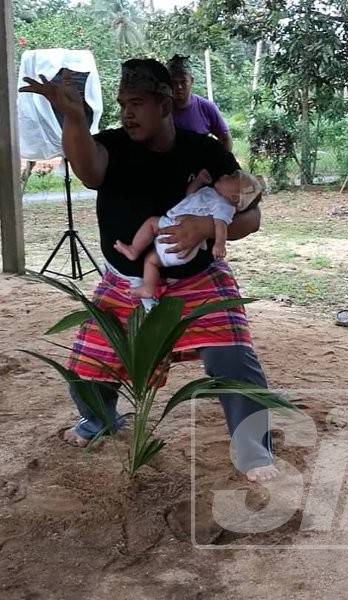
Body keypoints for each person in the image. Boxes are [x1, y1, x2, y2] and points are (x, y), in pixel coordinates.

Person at [20, 58, 278, 483]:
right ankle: (98, 421)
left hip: (198, 279)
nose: (127, 113)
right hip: (128, 282)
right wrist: (71, 115)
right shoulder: (111, 145)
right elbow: (88, 170)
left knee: (233, 360)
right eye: (122, 103)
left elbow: (252, 218)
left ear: (163, 103)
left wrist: (205, 227)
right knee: (88, 366)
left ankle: (253, 453)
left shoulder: (206, 151)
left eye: (137, 103)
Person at [114, 168, 262, 299]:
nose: (224, 175)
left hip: (179, 232)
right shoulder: (211, 193)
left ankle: (134, 249)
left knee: (152, 222)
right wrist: (198, 181)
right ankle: (148, 289)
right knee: (151, 261)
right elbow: (190, 195)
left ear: (235, 198)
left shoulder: (224, 206)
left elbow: (221, 225)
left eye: (230, 178)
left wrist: (219, 244)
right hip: (176, 239)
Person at [166, 54, 233, 152]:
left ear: (191, 81)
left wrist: (219, 164)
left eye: (183, 81)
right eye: (174, 82)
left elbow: (226, 138)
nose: (179, 87)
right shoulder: (161, 108)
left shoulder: (206, 107)